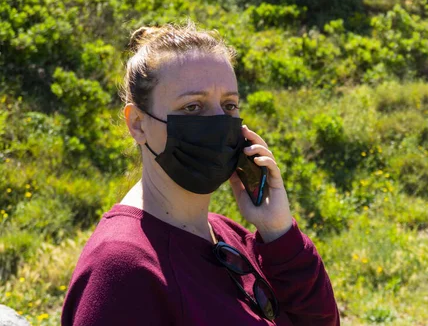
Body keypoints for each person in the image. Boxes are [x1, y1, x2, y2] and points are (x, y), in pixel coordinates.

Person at [61, 21, 340, 325]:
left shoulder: (230, 236)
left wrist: (279, 233)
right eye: (193, 107)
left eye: (229, 105)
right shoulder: (121, 270)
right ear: (138, 123)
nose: (220, 124)